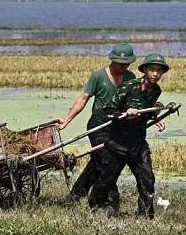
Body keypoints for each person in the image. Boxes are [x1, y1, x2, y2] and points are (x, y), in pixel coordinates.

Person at [89, 53, 170, 219]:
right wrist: (125, 113)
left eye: (159, 71)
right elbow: (109, 111)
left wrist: (156, 116)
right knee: (107, 180)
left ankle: (146, 216)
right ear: (145, 70)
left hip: (138, 143)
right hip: (118, 144)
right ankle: (96, 207)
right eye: (152, 70)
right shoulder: (129, 87)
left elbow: (146, 110)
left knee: (147, 179)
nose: (155, 74)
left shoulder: (156, 91)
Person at [58, 42, 137, 205]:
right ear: (112, 60)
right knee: (107, 160)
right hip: (98, 124)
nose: (123, 67)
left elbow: (136, 102)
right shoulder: (98, 76)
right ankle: (110, 200)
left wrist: (153, 117)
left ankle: (74, 197)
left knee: (96, 164)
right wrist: (67, 119)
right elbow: (83, 98)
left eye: (126, 64)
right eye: (120, 63)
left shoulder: (131, 78)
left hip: (118, 124)